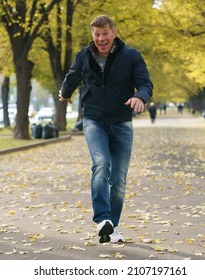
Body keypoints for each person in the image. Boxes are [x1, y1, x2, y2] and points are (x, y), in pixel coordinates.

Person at [59, 15, 153, 243]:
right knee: (101, 164)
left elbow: (145, 83)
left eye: (104, 34)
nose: (101, 39)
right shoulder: (84, 55)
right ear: (93, 36)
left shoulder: (131, 55)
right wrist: (65, 92)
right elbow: (73, 75)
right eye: (96, 35)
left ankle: (112, 227)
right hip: (94, 120)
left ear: (113, 33)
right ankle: (102, 218)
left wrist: (140, 97)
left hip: (121, 121)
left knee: (119, 179)